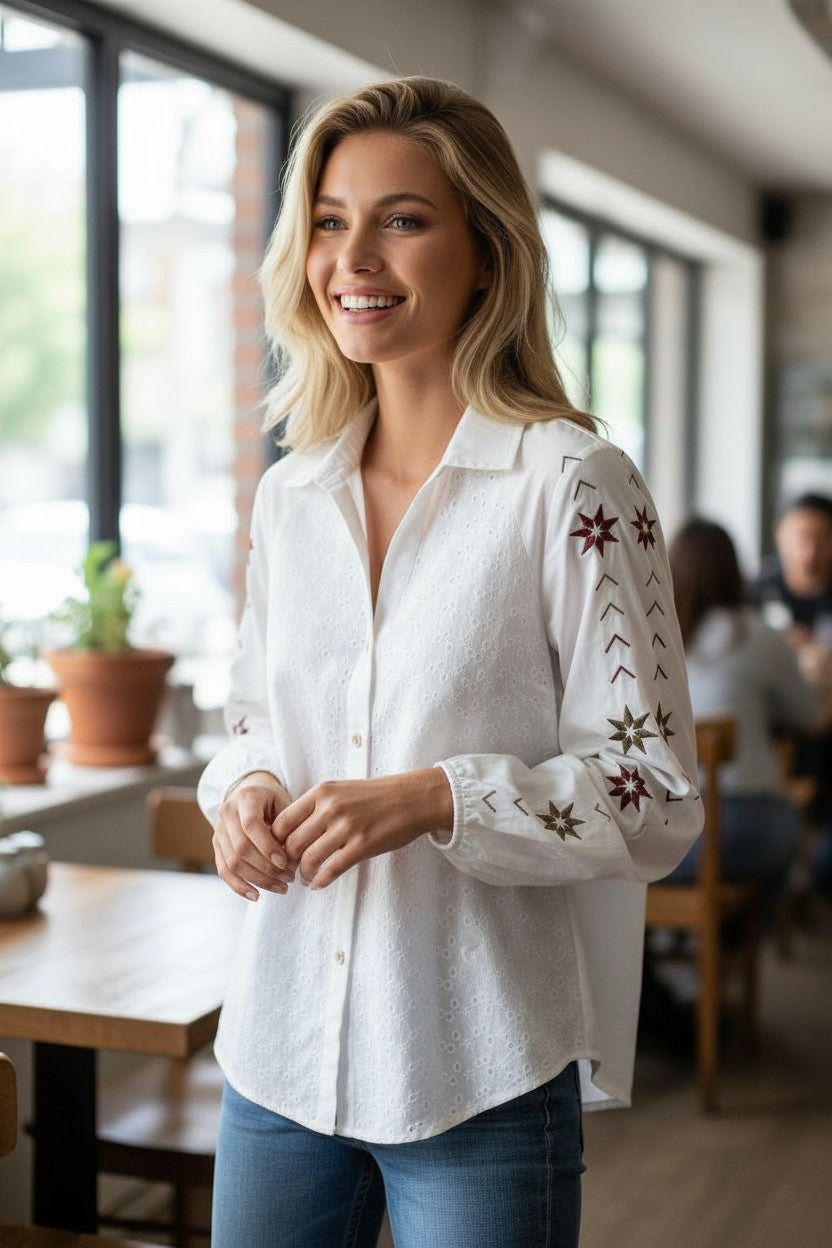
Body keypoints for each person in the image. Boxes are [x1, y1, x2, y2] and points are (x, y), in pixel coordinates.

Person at [197, 76, 701, 1248]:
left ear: (486, 252)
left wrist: (436, 799)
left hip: (477, 1069)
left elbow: (655, 797)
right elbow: (250, 717)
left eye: (403, 219)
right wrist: (245, 790)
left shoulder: (573, 485)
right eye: (329, 220)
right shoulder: (291, 494)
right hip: (276, 1054)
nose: (353, 258)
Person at [667, 517, 827, 921]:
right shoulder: (761, 636)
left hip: (661, 828)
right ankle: (747, 937)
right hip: (741, 828)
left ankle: (659, 950)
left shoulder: (649, 639)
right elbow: (809, 717)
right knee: (787, 827)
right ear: (733, 571)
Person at [755, 493, 832, 890]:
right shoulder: (756, 593)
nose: (810, 550)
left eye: (821, 538)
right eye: (802, 537)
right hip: (773, 722)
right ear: (779, 536)